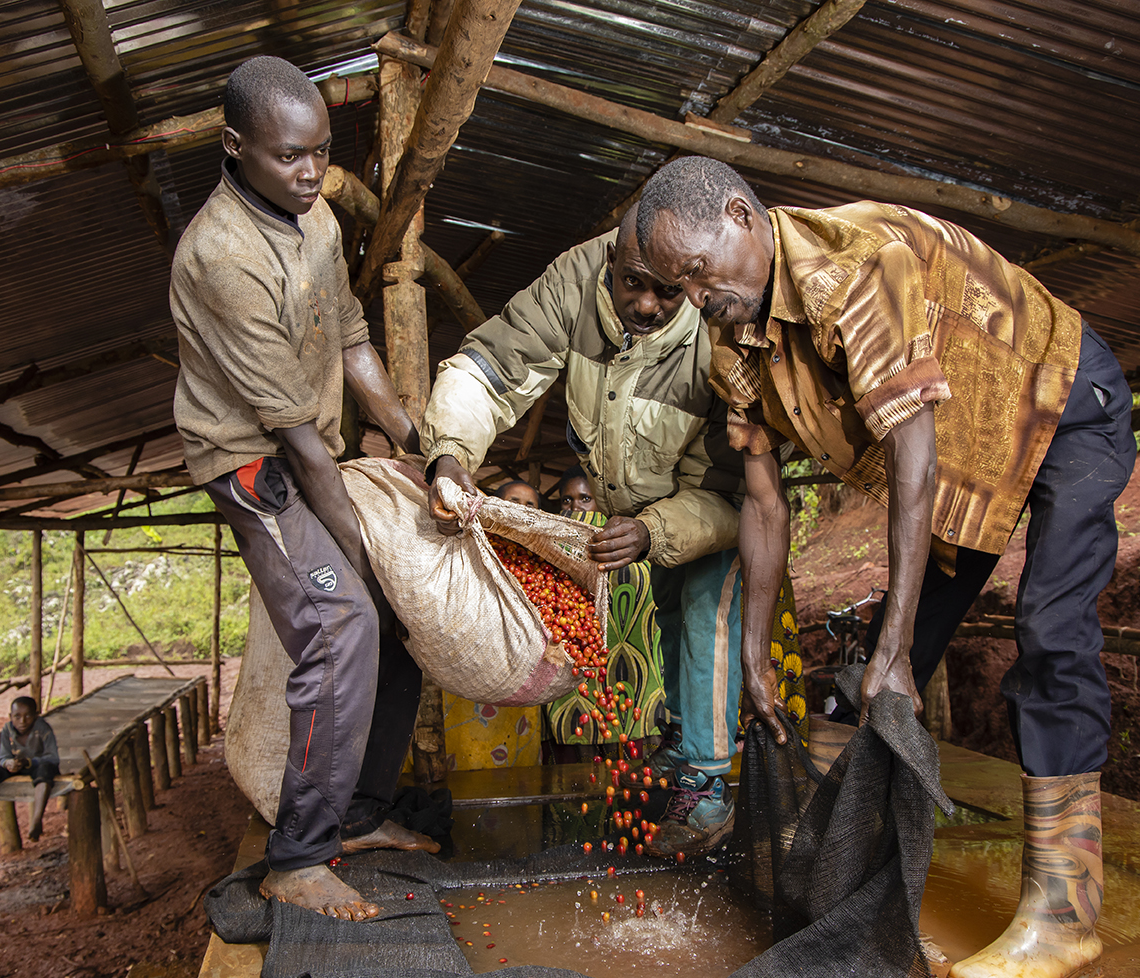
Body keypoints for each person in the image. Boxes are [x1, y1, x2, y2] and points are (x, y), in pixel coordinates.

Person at [636, 156, 1135, 978]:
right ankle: (838, 869)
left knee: (1049, 630)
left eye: (694, 271)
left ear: (740, 216)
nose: (690, 296)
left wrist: (897, 648)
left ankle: (1065, 911)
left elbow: (912, 453)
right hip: (966, 459)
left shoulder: (854, 268)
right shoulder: (731, 337)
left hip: (1060, 402)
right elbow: (762, 502)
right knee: (866, 678)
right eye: (672, 284)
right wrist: (753, 654)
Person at [171, 56, 439, 922]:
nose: (311, 171)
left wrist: (413, 437)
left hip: (309, 446)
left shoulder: (315, 215)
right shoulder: (220, 255)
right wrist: (363, 560)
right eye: (289, 156)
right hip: (251, 467)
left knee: (399, 616)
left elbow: (352, 338)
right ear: (234, 146)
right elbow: (294, 445)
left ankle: (356, 813)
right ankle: (295, 856)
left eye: (322, 151)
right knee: (343, 618)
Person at [420, 206, 761, 857]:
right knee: (666, 612)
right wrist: (449, 453)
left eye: (668, 292)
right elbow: (489, 366)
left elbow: (728, 492)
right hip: (635, 504)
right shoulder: (572, 282)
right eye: (632, 282)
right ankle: (686, 747)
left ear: (693, 281)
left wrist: (652, 529)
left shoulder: (719, 319)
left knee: (702, 617)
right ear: (610, 257)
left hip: (707, 509)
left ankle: (709, 787)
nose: (647, 304)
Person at [543, 466, 667, 761]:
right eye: (566, 501)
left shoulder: (638, 550)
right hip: (577, 689)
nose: (575, 508)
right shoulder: (552, 550)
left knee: (639, 775)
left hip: (637, 683)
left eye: (585, 500)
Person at [0, 696, 58, 843]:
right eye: (17, 716)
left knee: (46, 769)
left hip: (38, 767)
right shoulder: (7, 729)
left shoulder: (43, 729)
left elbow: (52, 757)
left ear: (36, 715)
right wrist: (9, 763)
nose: (22, 721)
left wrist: (28, 762)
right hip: (16, 767)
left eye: (28, 716)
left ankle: (36, 821)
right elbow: (3, 756)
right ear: (10, 717)